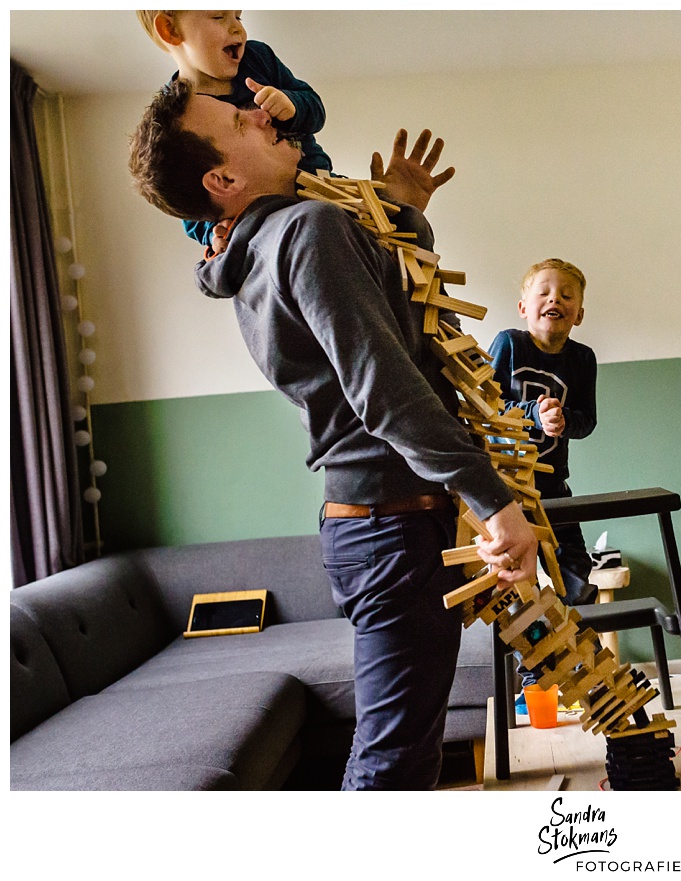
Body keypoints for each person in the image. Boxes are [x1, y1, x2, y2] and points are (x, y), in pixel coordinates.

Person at [128, 78, 537, 790]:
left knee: (404, 755)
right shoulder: (306, 231)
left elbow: (397, 333)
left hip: (379, 525)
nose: (264, 112)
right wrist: (493, 500)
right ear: (221, 177)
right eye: (238, 119)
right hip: (392, 527)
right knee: (393, 765)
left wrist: (404, 214)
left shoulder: (265, 248)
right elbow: (386, 389)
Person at [487, 259, 598, 706]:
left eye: (567, 295)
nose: (556, 300)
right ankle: (532, 674)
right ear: (523, 307)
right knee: (519, 584)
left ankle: (576, 661)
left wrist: (562, 419)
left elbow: (587, 421)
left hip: (555, 489)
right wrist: (532, 415)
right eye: (545, 293)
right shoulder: (509, 346)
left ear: (579, 314)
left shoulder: (582, 358)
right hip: (508, 493)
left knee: (576, 571)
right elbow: (485, 408)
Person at [137, 10, 333, 254]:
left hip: (319, 177)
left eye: (238, 17)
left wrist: (292, 106)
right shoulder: (177, 117)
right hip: (263, 215)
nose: (237, 28)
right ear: (171, 29)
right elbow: (186, 203)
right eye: (219, 17)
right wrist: (213, 234)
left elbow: (315, 109)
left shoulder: (258, 58)